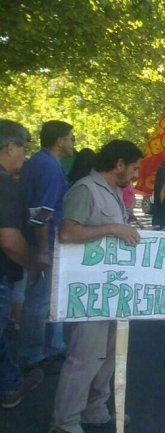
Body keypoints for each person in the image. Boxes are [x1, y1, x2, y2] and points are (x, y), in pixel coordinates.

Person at [49, 139, 143, 433]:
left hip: (111, 291)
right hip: (88, 292)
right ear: (119, 164)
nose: (137, 173)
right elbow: (67, 232)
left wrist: (127, 226)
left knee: (107, 356)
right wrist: (115, 228)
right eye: (135, 167)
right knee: (84, 359)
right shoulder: (85, 189)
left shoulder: (114, 192)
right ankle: (64, 421)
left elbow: (112, 233)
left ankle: (94, 408)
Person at [19, 120, 74, 372]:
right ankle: (33, 355)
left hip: (40, 241)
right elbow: (41, 212)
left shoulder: (40, 162)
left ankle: (46, 349)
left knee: (44, 300)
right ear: (59, 140)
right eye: (71, 138)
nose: (73, 143)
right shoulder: (49, 167)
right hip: (46, 242)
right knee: (40, 302)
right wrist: (43, 250)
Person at [0, 119, 44, 409]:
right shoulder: (5, 185)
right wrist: (32, 262)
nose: (24, 157)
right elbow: (10, 240)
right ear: (10, 146)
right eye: (23, 149)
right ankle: (12, 386)